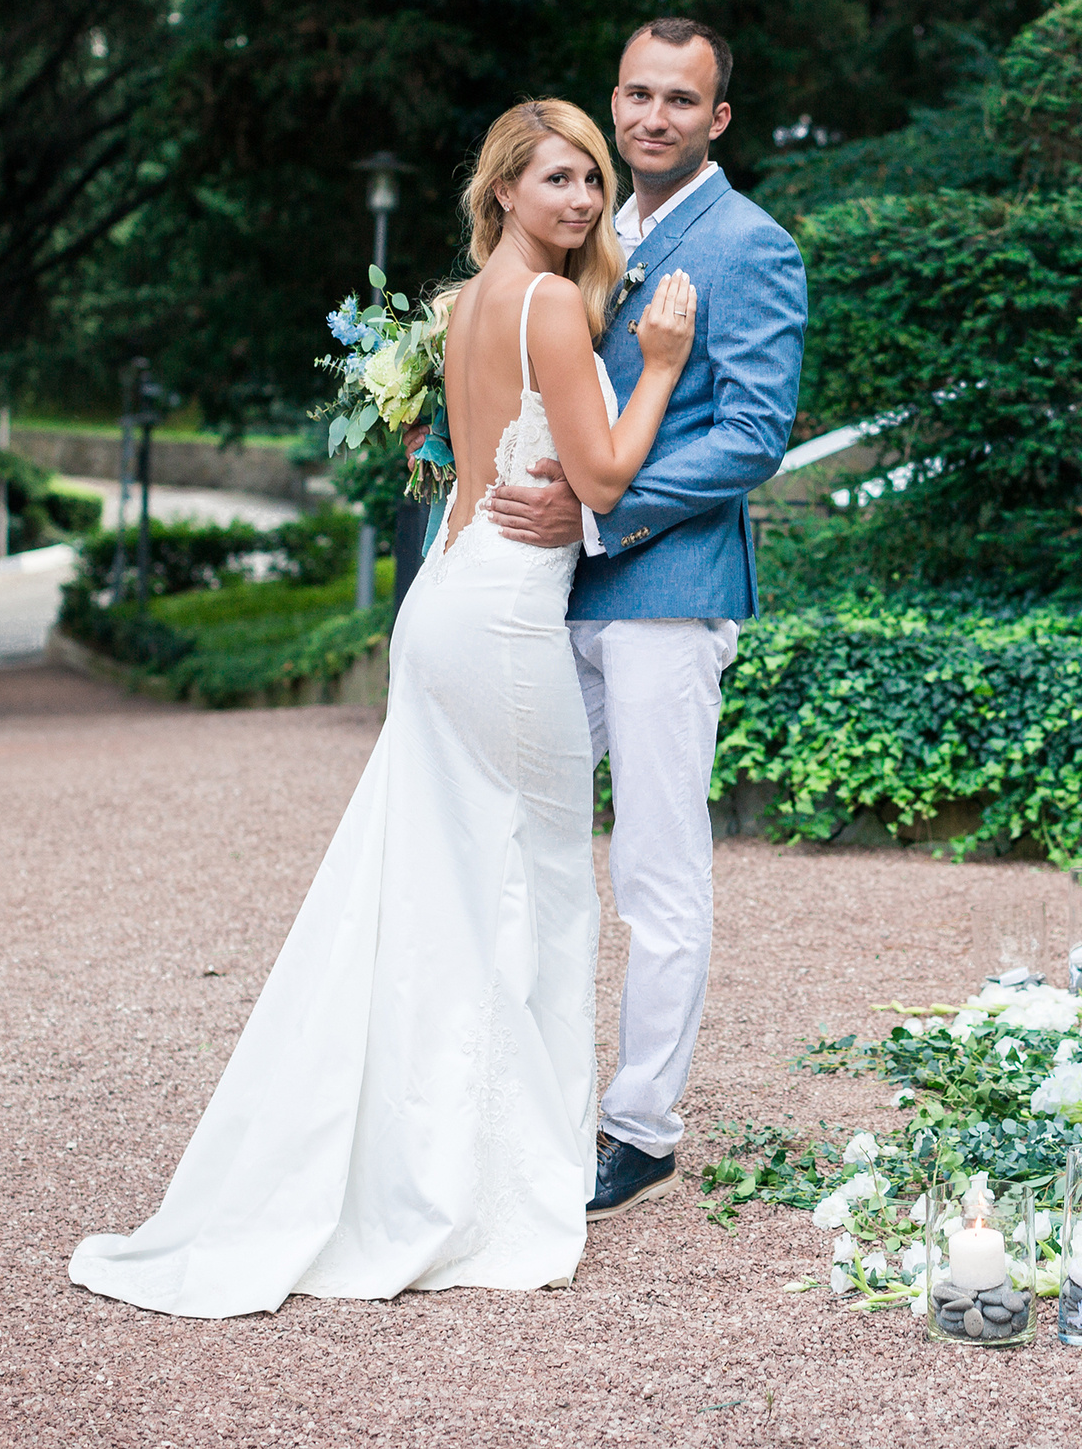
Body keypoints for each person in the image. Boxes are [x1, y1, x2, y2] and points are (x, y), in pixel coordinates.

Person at [67, 100, 698, 1317]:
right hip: (505, 619)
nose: (581, 198)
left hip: (445, 600)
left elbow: (469, 459)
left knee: (440, 885)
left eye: (592, 179)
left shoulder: (464, 306)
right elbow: (605, 475)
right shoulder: (548, 305)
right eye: (557, 179)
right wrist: (661, 364)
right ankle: (504, 1170)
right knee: (543, 885)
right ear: (503, 190)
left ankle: (427, 1146)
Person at [483, 18, 808, 1219]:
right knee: (513, 832)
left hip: (667, 595)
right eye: (635, 94)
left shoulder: (750, 245)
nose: (651, 117)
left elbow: (752, 436)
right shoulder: (584, 226)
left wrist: (594, 509)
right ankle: (522, 1087)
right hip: (551, 590)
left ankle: (641, 1126)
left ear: (716, 118)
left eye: (679, 99)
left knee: (656, 871)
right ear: (611, 101)